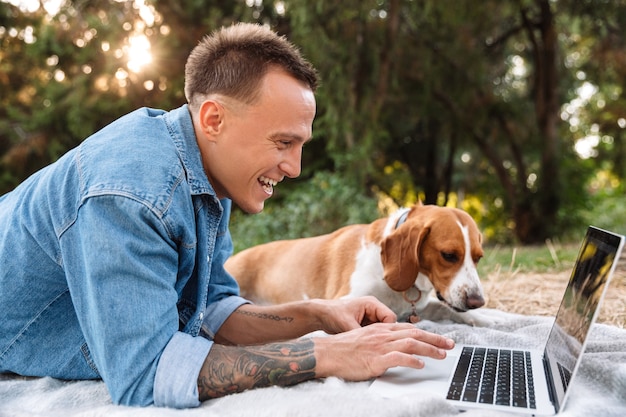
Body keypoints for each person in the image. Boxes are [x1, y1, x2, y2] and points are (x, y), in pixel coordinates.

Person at [0, 22, 455, 408]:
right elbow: (146, 373)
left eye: (300, 146)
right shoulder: (129, 194)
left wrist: (320, 314)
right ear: (214, 119)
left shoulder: (205, 174)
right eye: (283, 143)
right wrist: (328, 355)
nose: (294, 168)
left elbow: (210, 313)